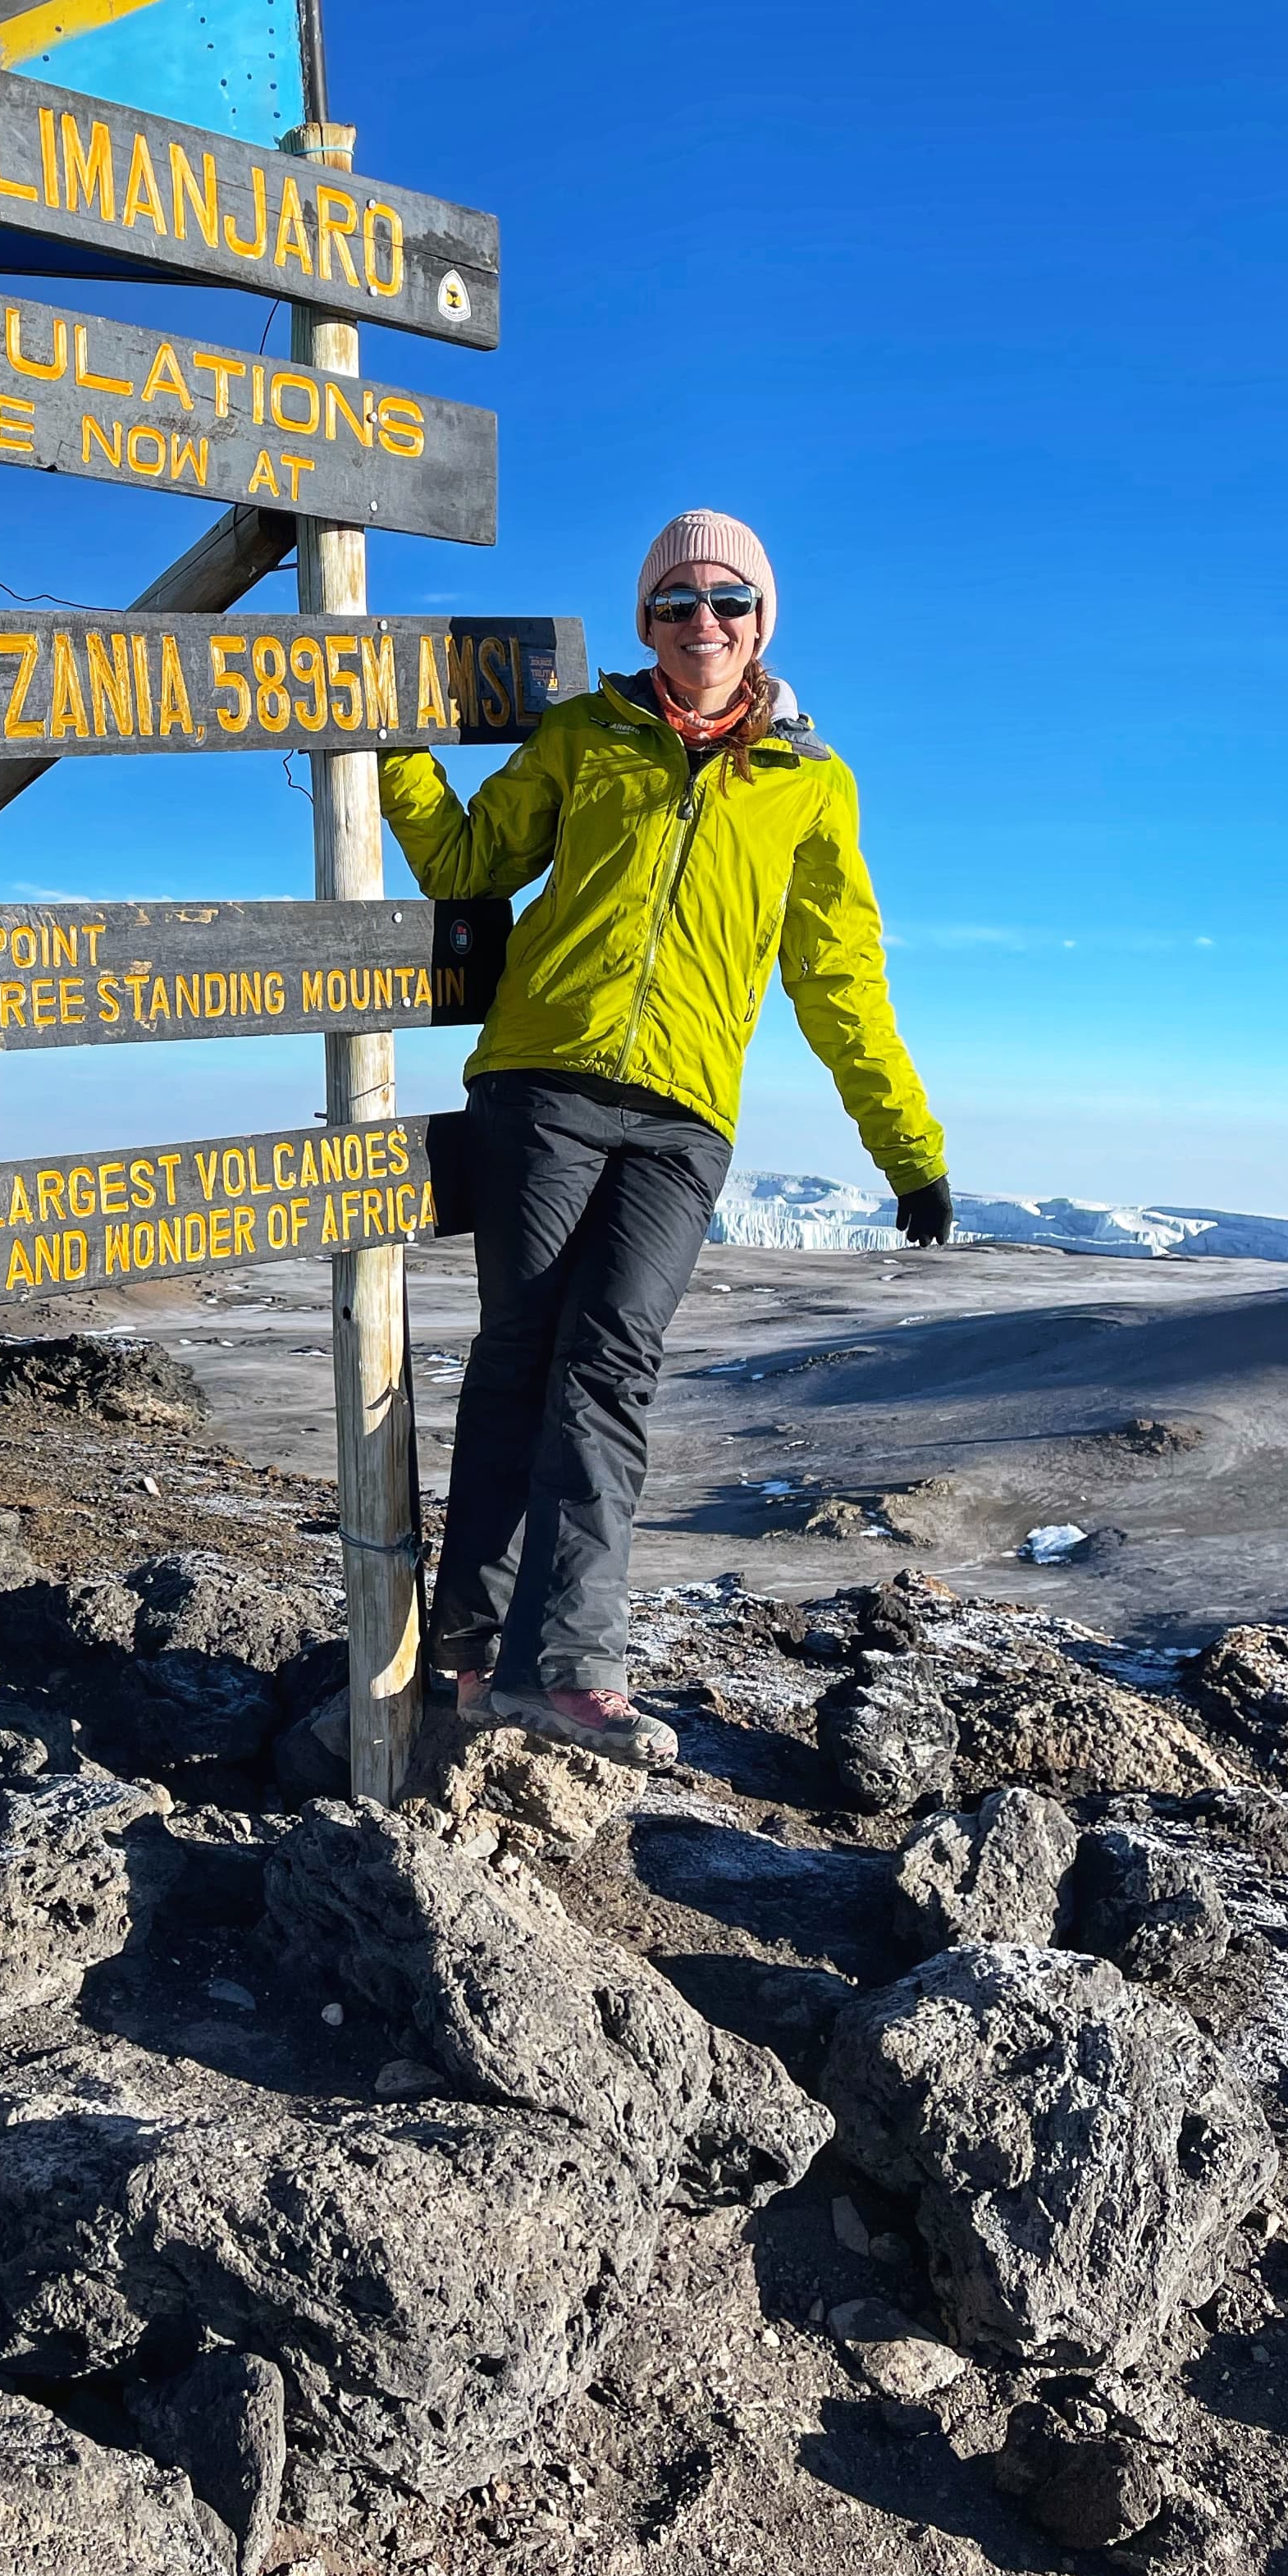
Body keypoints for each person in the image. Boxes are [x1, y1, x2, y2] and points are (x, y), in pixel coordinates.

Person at [380, 508, 952, 1768]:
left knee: (612, 1370)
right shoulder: (586, 733)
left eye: (729, 601)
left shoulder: (811, 784)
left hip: (685, 1119)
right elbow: (471, 859)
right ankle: (470, 1652)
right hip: (543, 1084)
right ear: (644, 621)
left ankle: (565, 1668)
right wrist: (391, 740)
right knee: (519, 1360)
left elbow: (839, 978)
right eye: (676, 603)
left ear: (766, 620)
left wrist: (907, 1147)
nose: (704, 623)